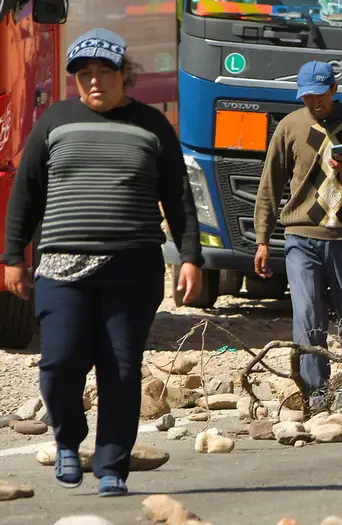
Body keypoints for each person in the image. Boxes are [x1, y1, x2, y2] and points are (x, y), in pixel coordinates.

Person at [2, 29, 202, 497]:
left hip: (132, 268)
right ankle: (68, 439)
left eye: (104, 73)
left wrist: (190, 258)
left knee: (121, 367)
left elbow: (178, 197)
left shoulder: (151, 126)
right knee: (60, 361)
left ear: (123, 76)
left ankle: (112, 464)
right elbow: (25, 194)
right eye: (84, 75)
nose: (94, 82)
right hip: (60, 267)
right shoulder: (54, 123)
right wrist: (13, 257)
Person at [254, 61, 342, 408]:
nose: (314, 103)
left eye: (320, 95)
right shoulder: (290, 127)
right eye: (307, 97)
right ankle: (316, 392)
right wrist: (262, 239)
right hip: (302, 237)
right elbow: (269, 185)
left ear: (333, 90)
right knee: (307, 315)